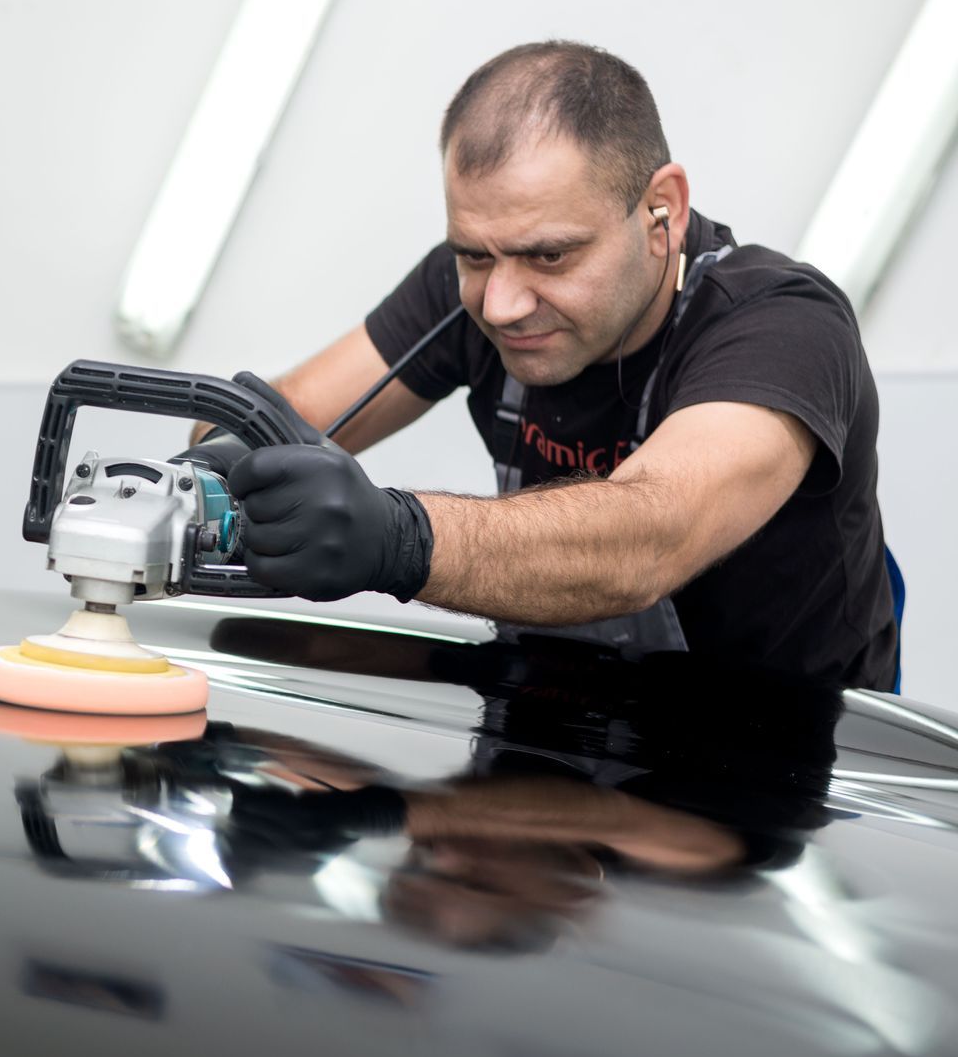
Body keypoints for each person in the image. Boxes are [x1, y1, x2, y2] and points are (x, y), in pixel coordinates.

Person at [185, 41, 896, 691]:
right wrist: (217, 465)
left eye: (550, 255)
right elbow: (289, 408)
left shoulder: (781, 325)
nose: (499, 304)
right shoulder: (473, 285)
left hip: (786, 767)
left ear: (663, 210)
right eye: (473, 254)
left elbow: (648, 538)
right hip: (564, 723)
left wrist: (396, 537)